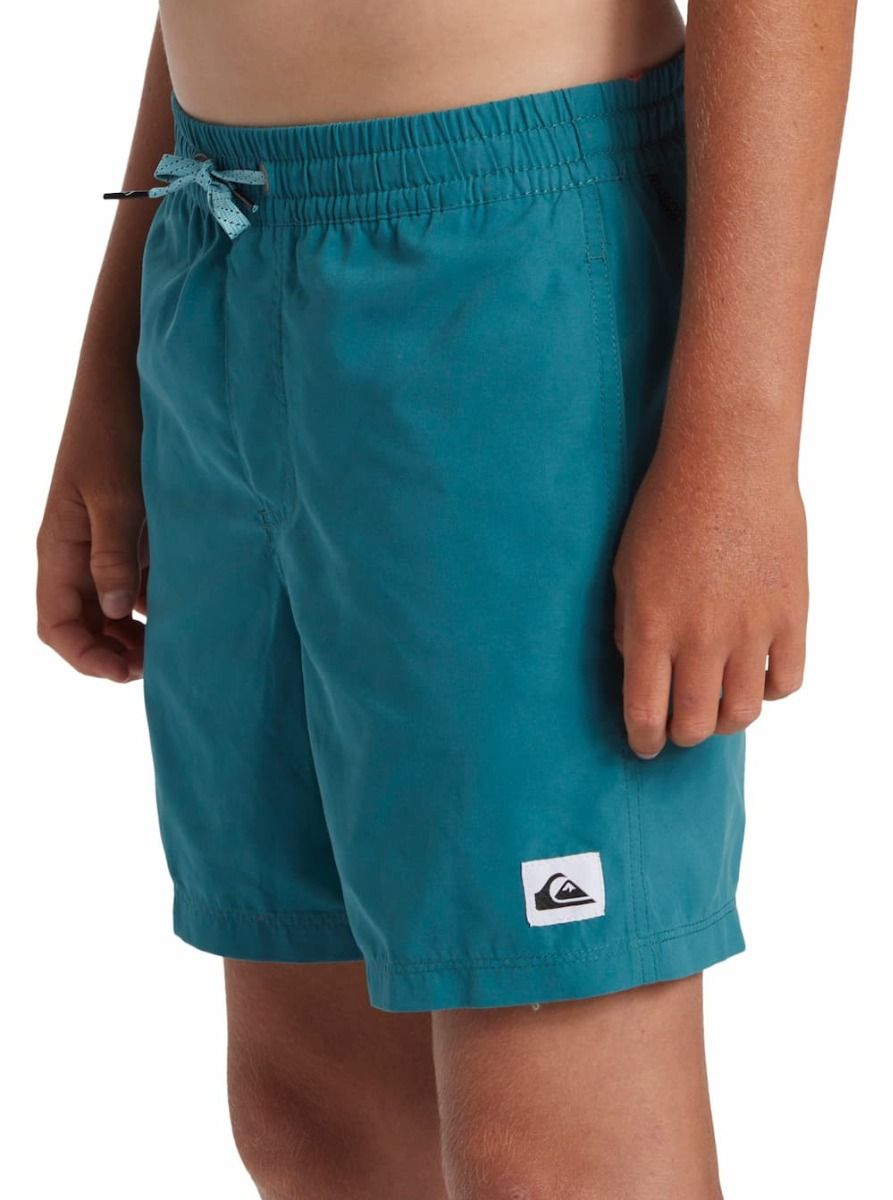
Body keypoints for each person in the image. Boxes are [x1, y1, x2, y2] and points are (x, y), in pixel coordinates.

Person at [35, 1, 857, 1196]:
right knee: (316, 1113)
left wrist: (738, 443)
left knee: (548, 1154)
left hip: (507, 274)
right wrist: (114, 358)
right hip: (219, 233)